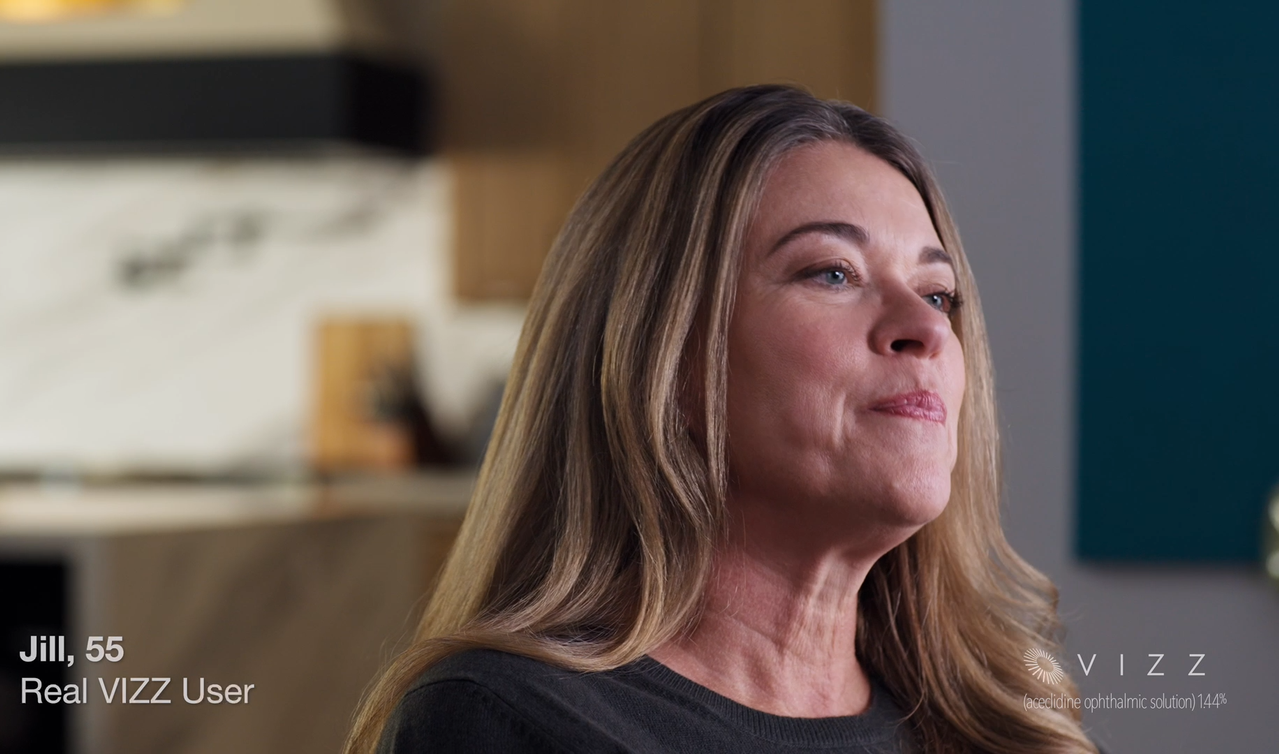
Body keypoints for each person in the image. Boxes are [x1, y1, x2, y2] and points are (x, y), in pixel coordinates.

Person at [345, 85, 1101, 754]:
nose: (928, 328)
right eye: (832, 273)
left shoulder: (1009, 728)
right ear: (666, 356)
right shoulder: (502, 722)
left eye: (938, 294)